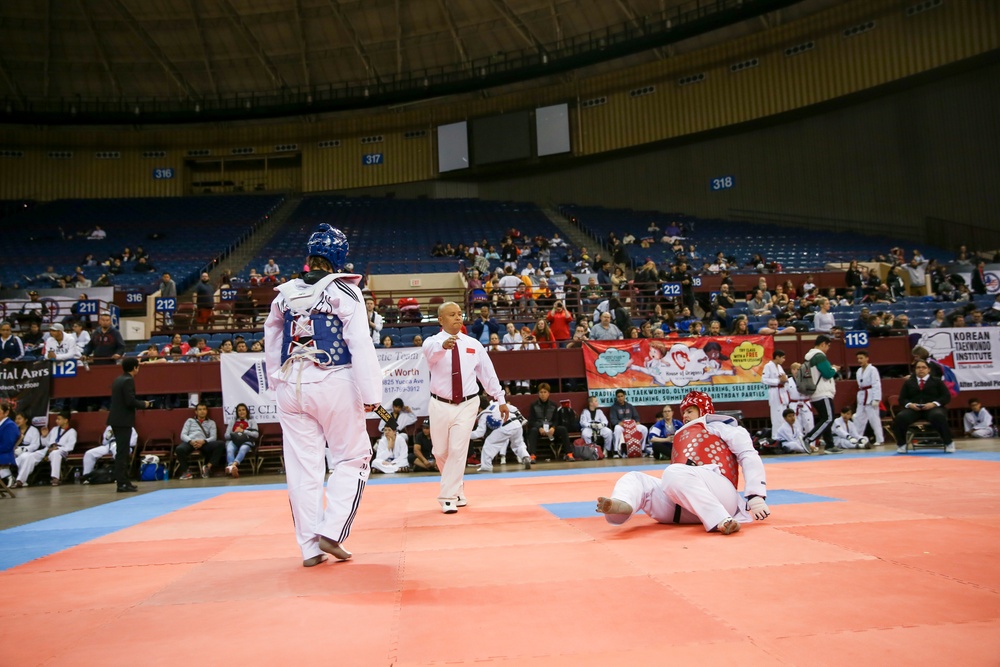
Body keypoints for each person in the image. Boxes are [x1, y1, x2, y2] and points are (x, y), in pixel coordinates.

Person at [264, 223, 382, 565]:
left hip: (290, 385)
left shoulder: (283, 294)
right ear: (340, 257)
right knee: (353, 457)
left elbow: (272, 338)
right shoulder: (344, 291)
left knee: (303, 469)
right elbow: (359, 342)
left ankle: (309, 549)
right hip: (332, 380)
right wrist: (371, 393)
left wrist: (276, 380)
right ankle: (332, 532)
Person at [595, 391, 770, 535]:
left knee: (673, 473)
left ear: (703, 410)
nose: (685, 415)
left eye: (690, 411)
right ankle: (623, 505)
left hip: (720, 494)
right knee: (635, 478)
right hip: (682, 504)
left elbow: (748, 455)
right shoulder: (681, 433)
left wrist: (755, 495)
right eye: (684, 412)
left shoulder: (724, 427)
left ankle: (720, 519)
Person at [422, 301, 507, 513]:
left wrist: (500, 399)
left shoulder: (473, 344)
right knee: (440, 451)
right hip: (440, 404)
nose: (458, 318)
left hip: (468, 403)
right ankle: (457, 488)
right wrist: (443, 347)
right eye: (452, 315)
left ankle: (448, 497)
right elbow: (430, 354)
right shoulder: (432, 342)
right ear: (441, 320)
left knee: (458, 449)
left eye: (460, 314)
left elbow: (488, 373)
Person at [107, 357, 151, 491]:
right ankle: (122, 483)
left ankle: (123, 481)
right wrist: (144, 404)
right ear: (134, 367)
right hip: (123, 420)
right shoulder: (128, 380)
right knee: (122, 452)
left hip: (116, 419)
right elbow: (130, 401)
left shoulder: (118, 379)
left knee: (122, 451)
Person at [893, 359, 954, 453]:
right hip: (914, 409)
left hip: (932, 408)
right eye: (918, 367)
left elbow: (946, 396)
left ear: (928, 369)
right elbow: (902, 399)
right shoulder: (909, 382)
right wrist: (910, 404)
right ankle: (902, 445)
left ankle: (948, 442)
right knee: (900, 417)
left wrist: (934, 404)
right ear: (915, 370)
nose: (921, 370)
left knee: (938, 416)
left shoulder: (937, 381)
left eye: (923, 367)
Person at [16, 411, 77, 486]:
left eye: (59, 419)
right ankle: (20, 480)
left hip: (61, 451)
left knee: (55, 453)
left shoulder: (72, 431)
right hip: (48, 449)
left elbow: (70, 447)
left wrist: (57, 448)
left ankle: (55, 478)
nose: (56, 421)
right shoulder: (55, 429)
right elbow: (46, 443)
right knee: (30, 456)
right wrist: (44, 436)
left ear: (66, 420)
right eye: (56, 419)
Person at [803, 335, 842, 453]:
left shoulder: (809, 357)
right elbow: (827, 373)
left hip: (816, 392)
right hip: (822, 392)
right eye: (828, 346)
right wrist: (834, 369)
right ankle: (808, 438)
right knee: (828, 418)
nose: (828, 349)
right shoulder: (819, 356)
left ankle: (829, 445)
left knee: (825, 419)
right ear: (823, 344)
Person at [470, 400, 531, 472]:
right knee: (518, 444)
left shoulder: (484, 414)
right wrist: (520, 416)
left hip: (505, 427)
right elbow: (513, 408)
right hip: (516, 423)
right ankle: (525, 456)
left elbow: (480, 433)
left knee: (489, 443)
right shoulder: (496, 404)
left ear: (479, 408)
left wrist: (466, 435)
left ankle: (486, 466)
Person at [176, 403, 226, 480]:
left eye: (204, 409)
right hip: (191, 442)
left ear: (207, 411)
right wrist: (191, 441)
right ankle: (186, 472)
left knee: (221, 444)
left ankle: (208, 467)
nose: (202, 411)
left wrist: (204, 441)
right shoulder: (189, 421)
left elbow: (213, 437)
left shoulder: (211, 422)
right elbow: (183, 435)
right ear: (196, 412)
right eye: (200, 409)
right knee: (179, 449)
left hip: (204, 443)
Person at [526, 382, 572, 462]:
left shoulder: (553, 405)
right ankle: (532, 455)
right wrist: (539, 428)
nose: (543, 394)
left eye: (545, 392)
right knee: (533, 431)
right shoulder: (534, 405)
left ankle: (569, 454)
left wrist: (553, 428)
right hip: (539, 428)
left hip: (551, 427)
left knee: (563, 429)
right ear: (538, 394)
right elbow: (531, 420)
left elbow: (556, 419)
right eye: (541, 392)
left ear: (548, 393)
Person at [852, 350, 884, 446]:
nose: (859, 360)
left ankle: (880, 439)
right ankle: (858, 438)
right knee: (858, 418)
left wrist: (876, 398)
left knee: (873, 418)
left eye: (861, 358)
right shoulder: (858, 371)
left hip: (870, 396)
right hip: (862, 395)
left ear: (867, 358)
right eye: (858, 358)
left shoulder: (872, 369)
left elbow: (876, 384)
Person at [224, 403, 260, 478]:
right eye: (239, 410)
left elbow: (256, 435)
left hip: (246, 441)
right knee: (229, 449)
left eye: (243, 410)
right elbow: (226, 435)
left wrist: (243, 431)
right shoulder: (232, 422)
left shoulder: (251, 421)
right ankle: (232, 467)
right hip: (234, 441)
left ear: (246, 411)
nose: (241, 412)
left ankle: (232, 466)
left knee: (243, 449)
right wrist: (235, 433)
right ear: (237, 412)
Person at [609, 389, 648, 457]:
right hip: (622, 426)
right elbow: (613, 420)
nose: (620, 398)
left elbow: (636, 416)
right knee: (617, 428)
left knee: (644, 429)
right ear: (616, 397)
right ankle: (616, 451)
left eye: (622, 396)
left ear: (624, 396)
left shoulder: (630, 406)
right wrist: (619, 423)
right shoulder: (614, 407)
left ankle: (643, 449)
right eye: (618, 396)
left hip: (632, 425)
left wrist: (637, 422)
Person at [761, 350, 788, 438]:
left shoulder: (779, 367)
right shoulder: (768, 366)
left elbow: (784, 377)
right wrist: (778, 381)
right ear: (777, 357)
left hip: (782, 392)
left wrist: (784, 380)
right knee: (776, 418)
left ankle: (783, 437)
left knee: (783, 417)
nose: (784, 360)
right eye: (782, 357)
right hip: (774, 392)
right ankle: (776, 438)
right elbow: (764, 380)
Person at [0, 403, 17, 488]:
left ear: (6, 413)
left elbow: (7, 445)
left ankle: (8, 476)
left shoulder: (10, 425)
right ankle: (7, 476)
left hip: (4, 454)